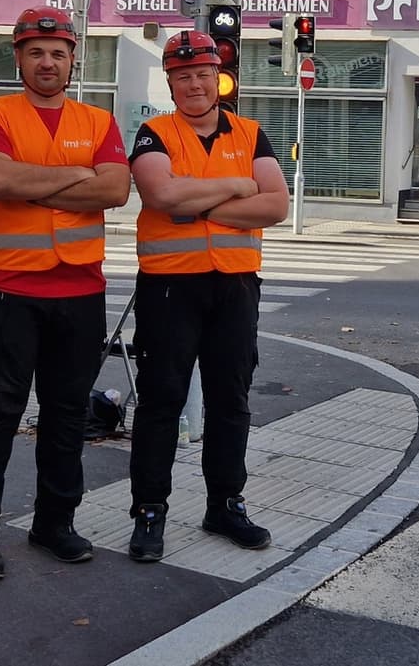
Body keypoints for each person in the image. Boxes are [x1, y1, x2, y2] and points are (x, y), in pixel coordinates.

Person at [0, 7, 130, 581]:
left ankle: (56, 521)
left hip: (79, 287)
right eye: (35, 51)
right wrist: (79, 177)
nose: (47, 61)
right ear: (19, 57)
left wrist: (42, 181)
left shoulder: (98, 120)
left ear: (74, 58)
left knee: (67, 413)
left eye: (58, 52)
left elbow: (118, 189)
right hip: (5, 286)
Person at [125, 31, 290, 562]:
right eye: (182, 75)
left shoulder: (251, 133)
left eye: (202, 74)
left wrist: (200, 204)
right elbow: (161, 194)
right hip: (171, 285)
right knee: (160, 403)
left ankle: (225, 504)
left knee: (230, 401)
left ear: (218, 78)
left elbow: (276, 206)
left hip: (235, 285)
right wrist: (238, 187)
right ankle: (149, 513)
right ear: (170, 82)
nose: (194, 84)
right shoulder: (154, 133)